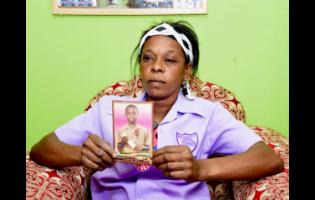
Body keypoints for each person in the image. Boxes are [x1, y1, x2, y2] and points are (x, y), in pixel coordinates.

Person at [30, 20, 284, 199]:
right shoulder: (107, 108)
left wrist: (201, 169)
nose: (156, 67)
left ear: (187, 70)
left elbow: (268, 159)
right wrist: (81, 155)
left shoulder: (209, 114)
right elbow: (42, 150)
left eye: (170, 60)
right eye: (147, 58)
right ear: (140, 66)